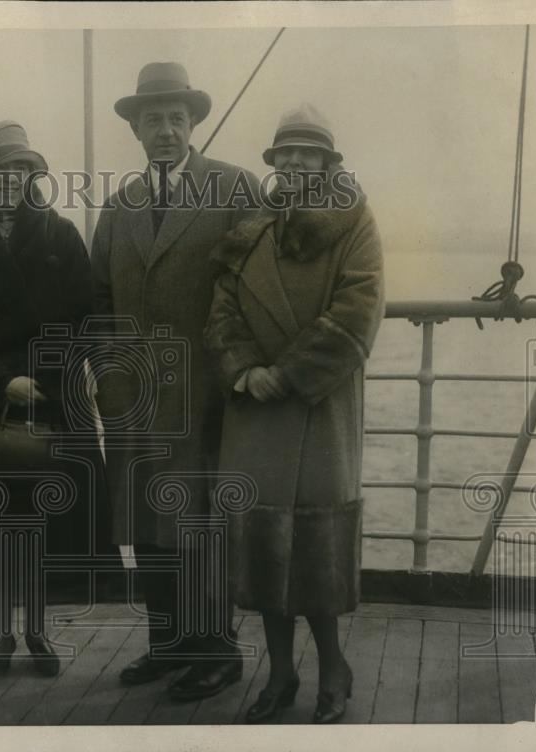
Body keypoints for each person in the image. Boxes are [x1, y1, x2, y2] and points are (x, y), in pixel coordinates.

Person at [204, 104, 385, 724]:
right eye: (285, 154)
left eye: (308, 154)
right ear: (274, 163)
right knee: (261, 548)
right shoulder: (252, 226)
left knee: (314, 548)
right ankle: (281, 673)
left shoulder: (355, 222)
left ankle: (334, 667)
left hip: (317, 405)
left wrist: (288, 374)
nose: (294, 163)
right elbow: (222, 308)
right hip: (254, 408)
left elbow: (359, 307)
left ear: (330, 164)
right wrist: (244, 369)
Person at [90, 61, 260, 702]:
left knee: (198, 525)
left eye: (176, 119)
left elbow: (258, 287)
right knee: (145, 522)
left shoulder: (236, 187)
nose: (165, 130)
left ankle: (217, 653)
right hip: (133, 397)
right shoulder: (118, 205)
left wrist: (237, 368)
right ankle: (167, 644)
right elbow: (97, 297)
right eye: (152, 119)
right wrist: (108, 372)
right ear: (135, 129)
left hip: (205, 395)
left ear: (193, 125)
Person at [0, 121, 110, 689]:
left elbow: (87, 315)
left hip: (53, 400)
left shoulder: (61, 237)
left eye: (21, 170)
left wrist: (43, 375)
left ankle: (36, 629)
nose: (11, 180)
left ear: (33, 176)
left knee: (40, 522)